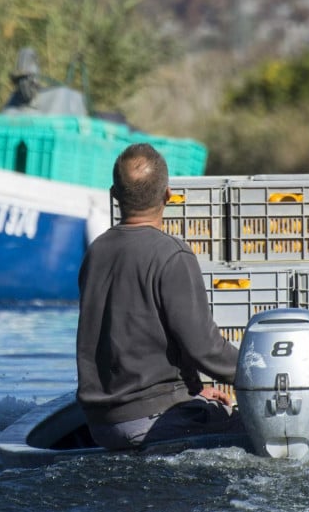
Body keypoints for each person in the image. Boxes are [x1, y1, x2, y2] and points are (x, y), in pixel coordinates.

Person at [76, 143, 242, 450]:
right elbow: (205, 350)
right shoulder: (172, 255)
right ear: (167, 195)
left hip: (102, 423)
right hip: (154, 422)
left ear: (115, 195)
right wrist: (259, 371)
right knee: (257, 432)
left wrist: (191, 392)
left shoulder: (95, 252)